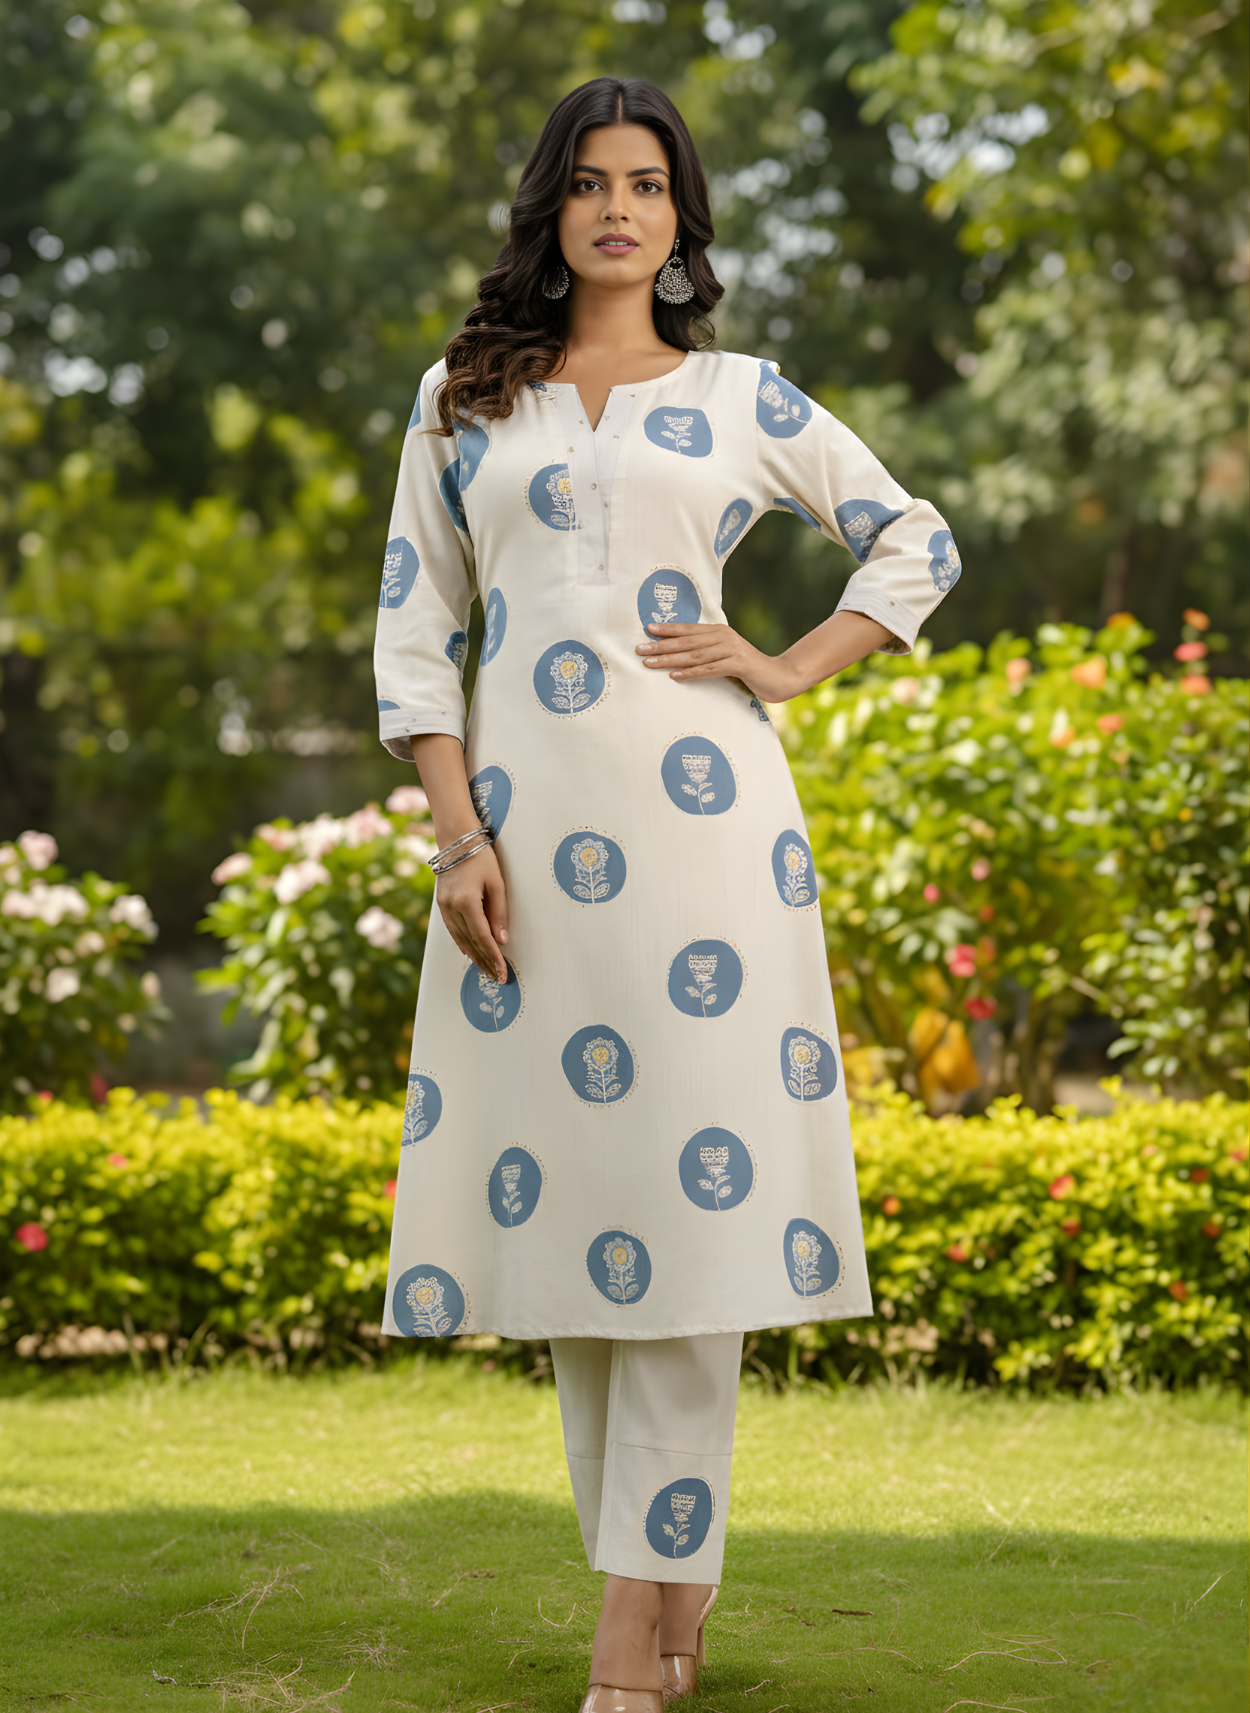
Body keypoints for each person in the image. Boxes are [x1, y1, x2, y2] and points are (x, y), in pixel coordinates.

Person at [374, 76, 960, 1713]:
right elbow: (414, 636)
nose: (616, 209)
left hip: (708, 855)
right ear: (549, 209)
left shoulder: (741, 396)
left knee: (694, 1220)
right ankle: (663, 1575)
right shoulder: (462, 399)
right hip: (523, 854)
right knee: (578, 1220)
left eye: (644, 184)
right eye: (588, 182)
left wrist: (783, 664)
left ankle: (631, 1629)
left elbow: (912, 540)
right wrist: (457, 839)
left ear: (679, 217)